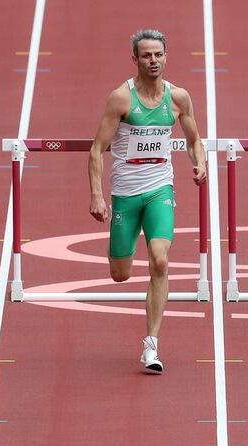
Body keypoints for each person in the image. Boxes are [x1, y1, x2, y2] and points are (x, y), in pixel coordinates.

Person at [88, 29, 207, 373]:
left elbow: (194, 139)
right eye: (146, 56)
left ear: (166, 57)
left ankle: (150, 346)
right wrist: (96, 194)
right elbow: (96, 150)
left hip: (160, 189)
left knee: (159, 260)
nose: (153, 61)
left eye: (158, 55)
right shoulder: (121, 99)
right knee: (120, 274)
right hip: (125, 193)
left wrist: (199, 162)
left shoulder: (179, 97)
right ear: (136, 60)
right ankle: (123, 254)